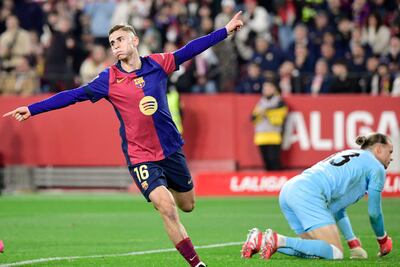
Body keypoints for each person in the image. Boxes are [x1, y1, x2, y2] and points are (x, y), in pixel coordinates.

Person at [3, 12, 244, 267]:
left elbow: (191, 49)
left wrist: (225, 30)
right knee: (167, 206)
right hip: (140, 155)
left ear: (135, 41)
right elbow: (73, 95)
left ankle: (161, 189)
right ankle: (196, 263)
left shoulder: (158, 64)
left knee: (188, 205)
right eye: (112, 43)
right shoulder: (108, 79)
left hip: (171, 149)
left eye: (120, 40)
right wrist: (32, 109)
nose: (116, 46)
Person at [241, 132, 393, 261]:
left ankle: (260, 240)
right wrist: (383, 240)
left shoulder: (351, 154)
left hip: (290, 189)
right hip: (309, 193)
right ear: (379, 149)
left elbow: (338, 208)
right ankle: (277, 239)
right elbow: (374, 213)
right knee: (335, 252)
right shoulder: (377, 167)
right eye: (390, 152)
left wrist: (353, 243)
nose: (391, 158)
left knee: (315, 249)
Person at [251, 81, 288, 170]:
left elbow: (279, 120)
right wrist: (261, 113)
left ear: (273, 89)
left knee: (274, 161)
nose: (265, 90)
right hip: (261, 137)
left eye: (268, 88)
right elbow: (253, 118)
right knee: (266, 162)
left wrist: (266, 113)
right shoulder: (261, 102)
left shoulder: (279, 103)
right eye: (264, 88)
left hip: (274, 136)